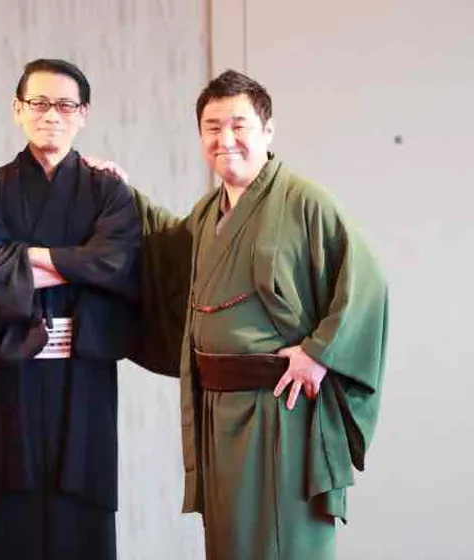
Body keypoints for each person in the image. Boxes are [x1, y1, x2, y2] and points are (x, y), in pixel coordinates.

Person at [133, 69, 389, 559]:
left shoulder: (304, 201)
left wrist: (320, 352)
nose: (225, 139)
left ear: (268, 131)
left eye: (239, 125)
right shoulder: (207, 212)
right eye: (212, 128)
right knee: (232, 542)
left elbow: (366, 283)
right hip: (218, 409)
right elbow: (166, 253)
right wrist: (121, 194)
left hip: (279, 408)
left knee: (286, 541)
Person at [0, 58, 141, 560]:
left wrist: (23, 258)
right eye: (38, 103)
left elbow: (113, 262)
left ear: (83, 114)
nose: (51, 114)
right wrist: (76, 262)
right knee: (8, 501)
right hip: (9, 365)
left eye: (64, 104)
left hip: (84, 365)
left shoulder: (107, 189)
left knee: (82, 501)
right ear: (17, 109)